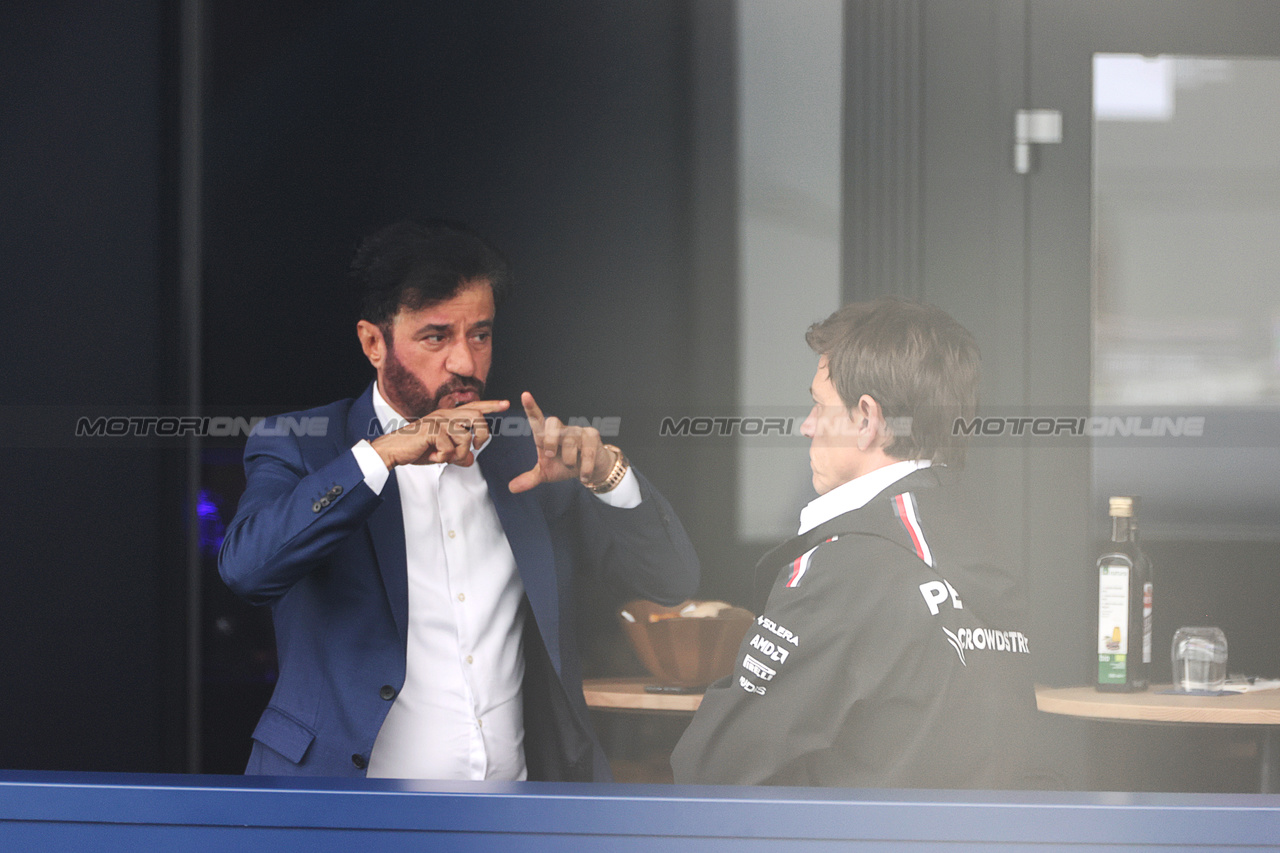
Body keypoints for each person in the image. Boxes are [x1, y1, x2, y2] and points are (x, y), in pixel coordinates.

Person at [219, 220, 699, 781]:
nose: (466, 364)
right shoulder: (302, 443)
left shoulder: (531, 458)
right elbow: (247, 570)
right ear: (374, 342)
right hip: (344, 810)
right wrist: (379, 458)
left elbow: (672, 582)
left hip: (512, 812)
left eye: (481, 335)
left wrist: (608, 476)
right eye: (435, 337)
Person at [671, 298, 1034, 789]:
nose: (807, 425)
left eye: (820, 405)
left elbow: (712, 767)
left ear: (866, 420)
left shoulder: (845, 562)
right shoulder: (987, 543)